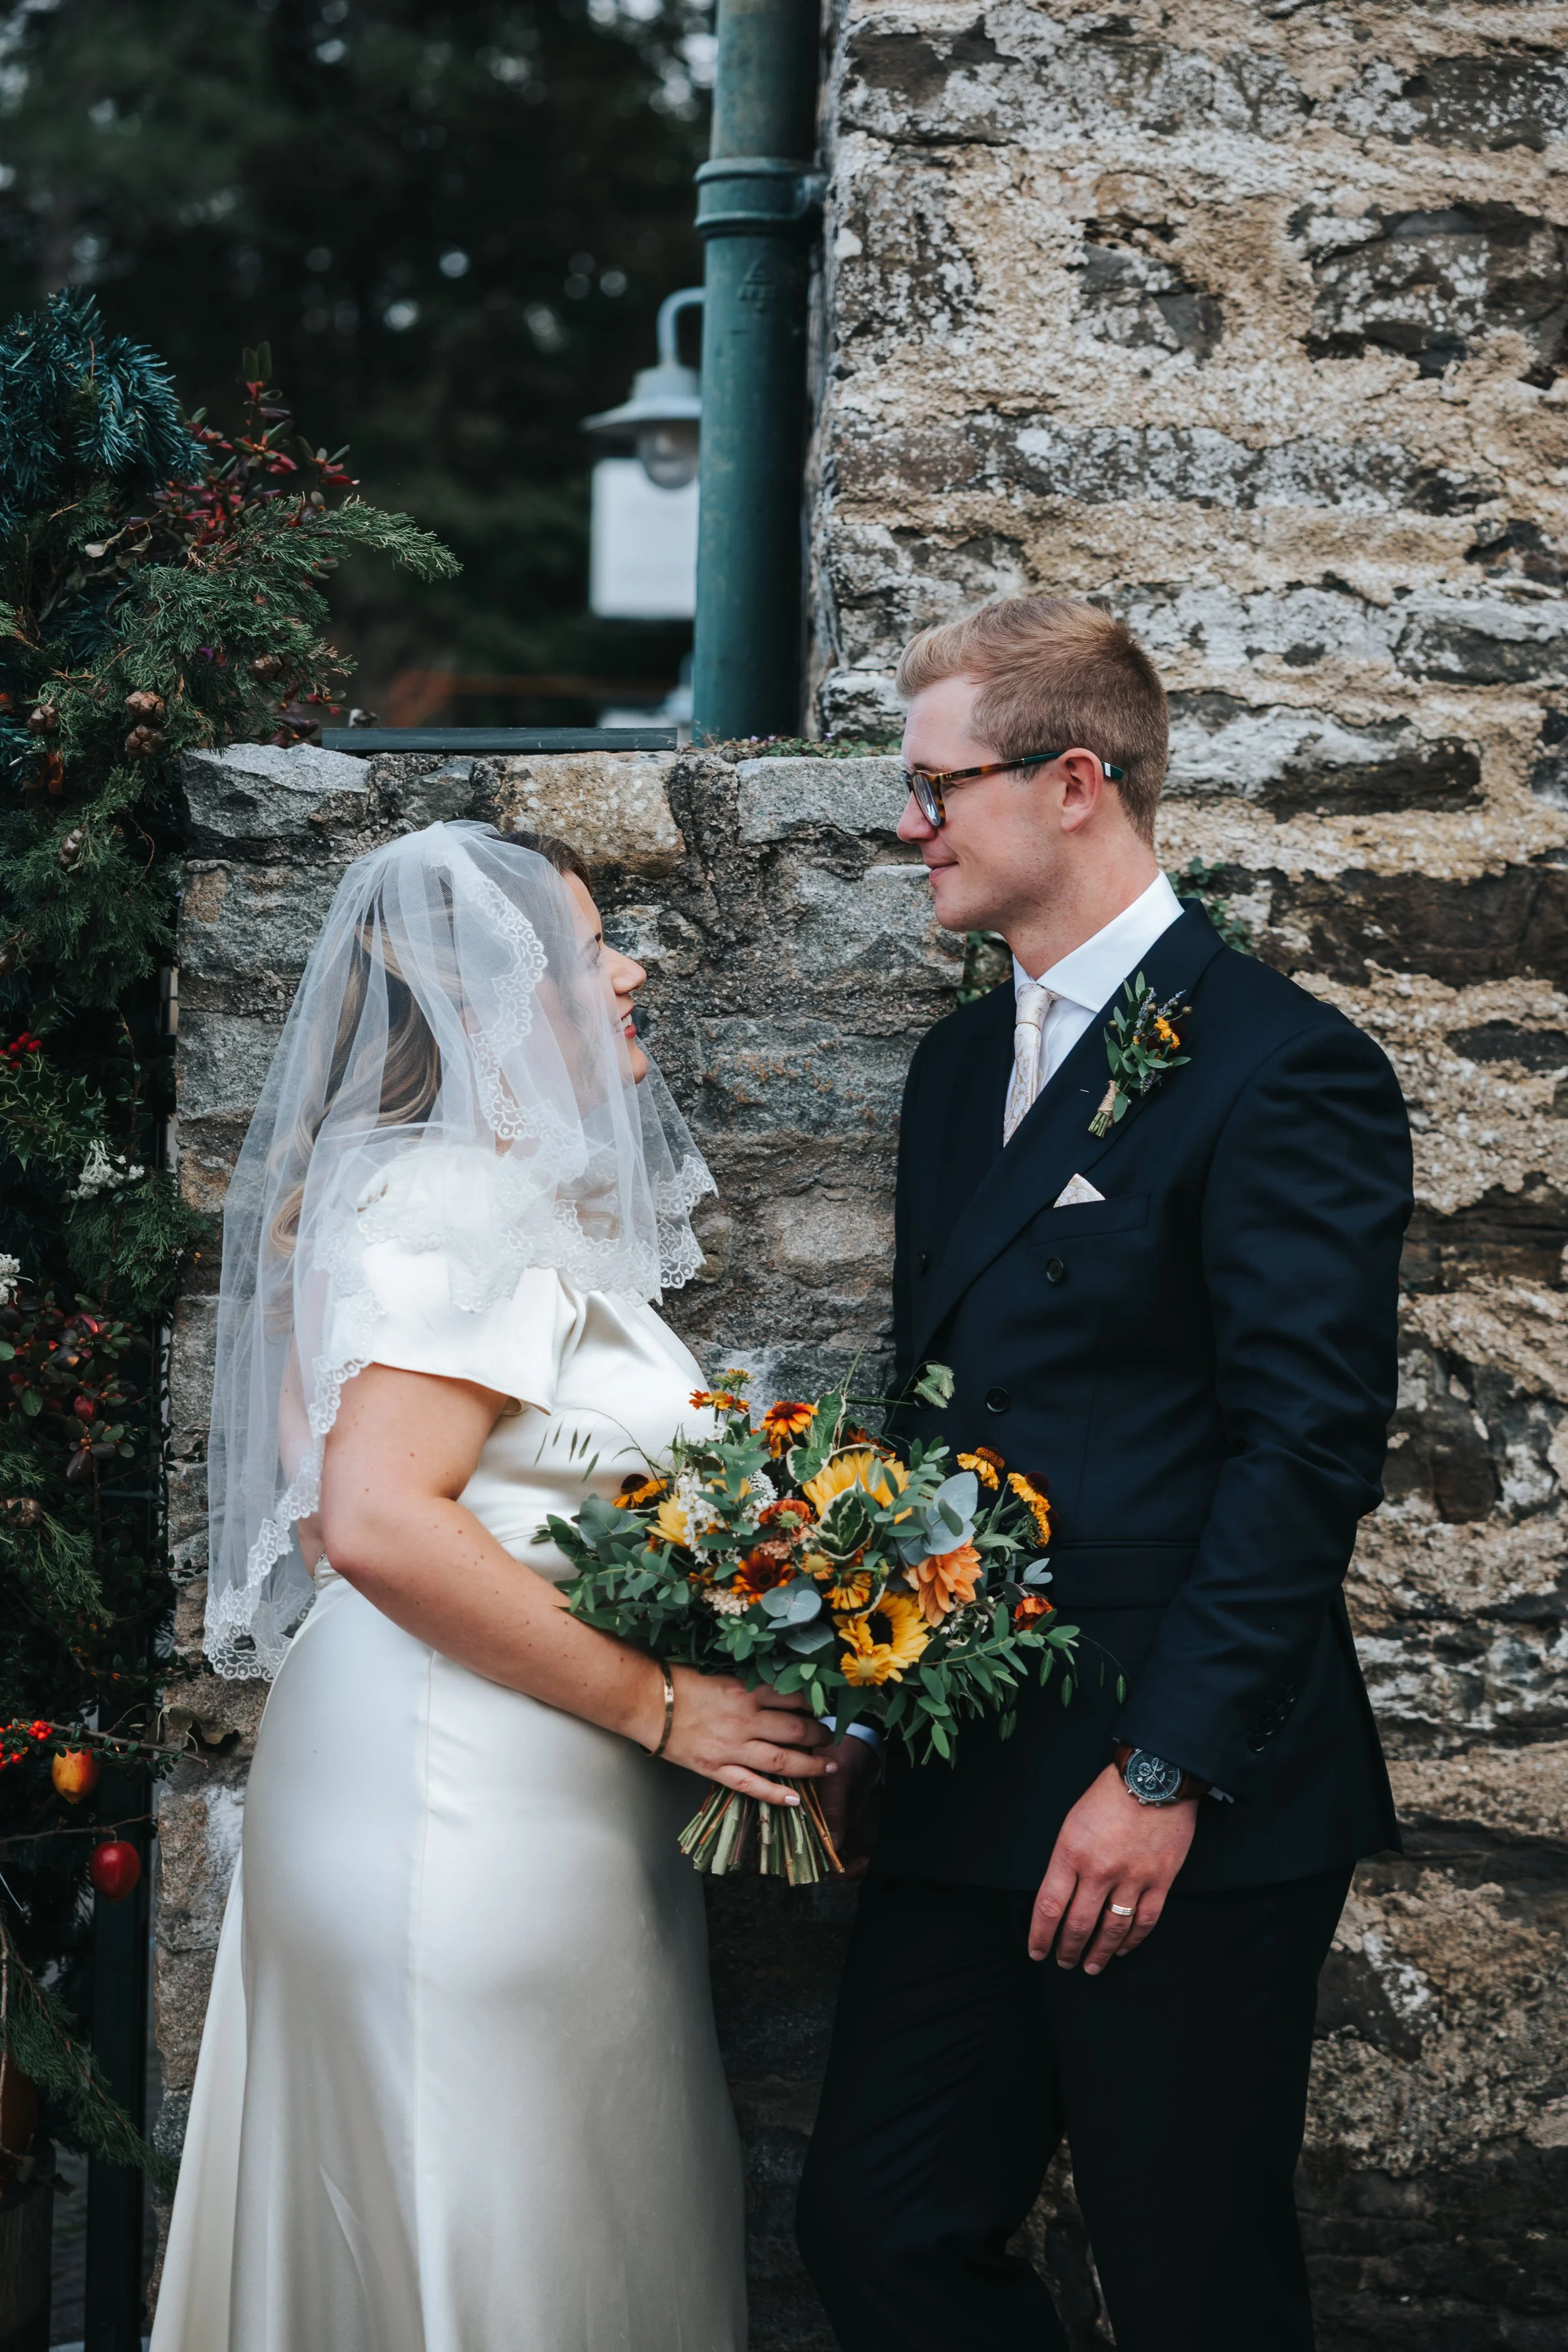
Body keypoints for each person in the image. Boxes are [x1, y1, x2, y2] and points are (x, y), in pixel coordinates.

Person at [800, 597, 1412, 2352]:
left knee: (1186, 2274)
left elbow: (1301, 1448)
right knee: (876, 2222)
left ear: (1073, 781)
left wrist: (1163, 1767)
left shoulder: (1283, 1065)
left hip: (1179, 1791)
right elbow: (941, 1421)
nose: (905, 826)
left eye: (936, 788)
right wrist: (871, 1695)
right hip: (965, 1773)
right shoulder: (949, 1070)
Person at [152, 820, 832, 2352]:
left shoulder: (480, 1213)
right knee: (489, 2219)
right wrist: (664, 1704)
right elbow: (375, 1526)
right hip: (455, 1808)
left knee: (564, 2214)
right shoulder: (446, 1205)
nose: (630, 969)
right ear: (489, 1004)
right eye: (589, 951)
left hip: (532, 1791)